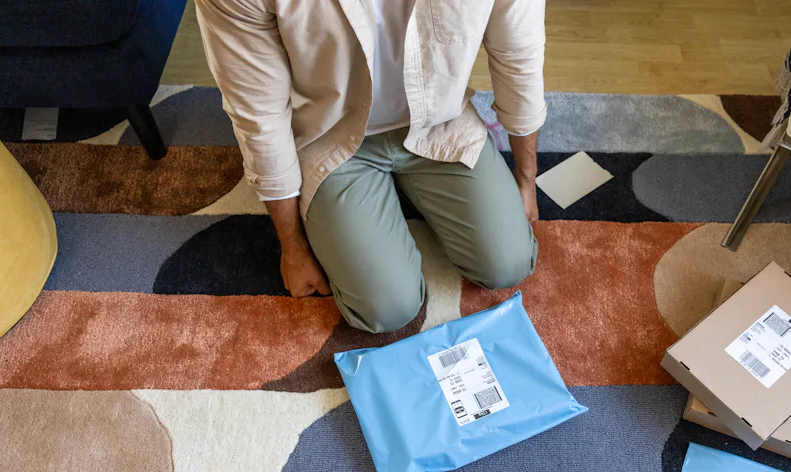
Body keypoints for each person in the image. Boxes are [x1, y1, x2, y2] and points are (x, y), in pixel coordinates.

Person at [195, 0, 546, 332]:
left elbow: (518, 53)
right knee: (387, 308)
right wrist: (292, 245)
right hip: (330, 132)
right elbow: (260, 115)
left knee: (509, 263)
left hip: (439, 119)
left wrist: (526, 180)